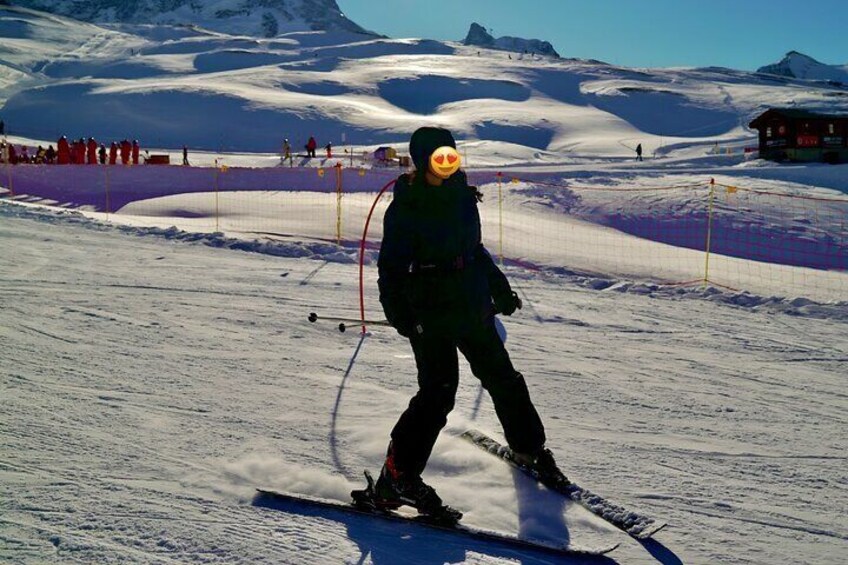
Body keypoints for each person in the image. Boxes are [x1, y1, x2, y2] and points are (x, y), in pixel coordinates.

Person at [372, 126, 566, 519]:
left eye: (451, 156)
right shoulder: (407, 207)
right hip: (429, 312)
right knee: (438, 393)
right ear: (422, 161)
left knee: (503, 378)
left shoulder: (462, 196)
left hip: (471, 305)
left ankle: (529, 449)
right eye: (438, 158)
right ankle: (397, 476)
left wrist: (500, 289)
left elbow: (474, 251)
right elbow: (390, 268)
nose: (446, 164)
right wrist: (401, 315)